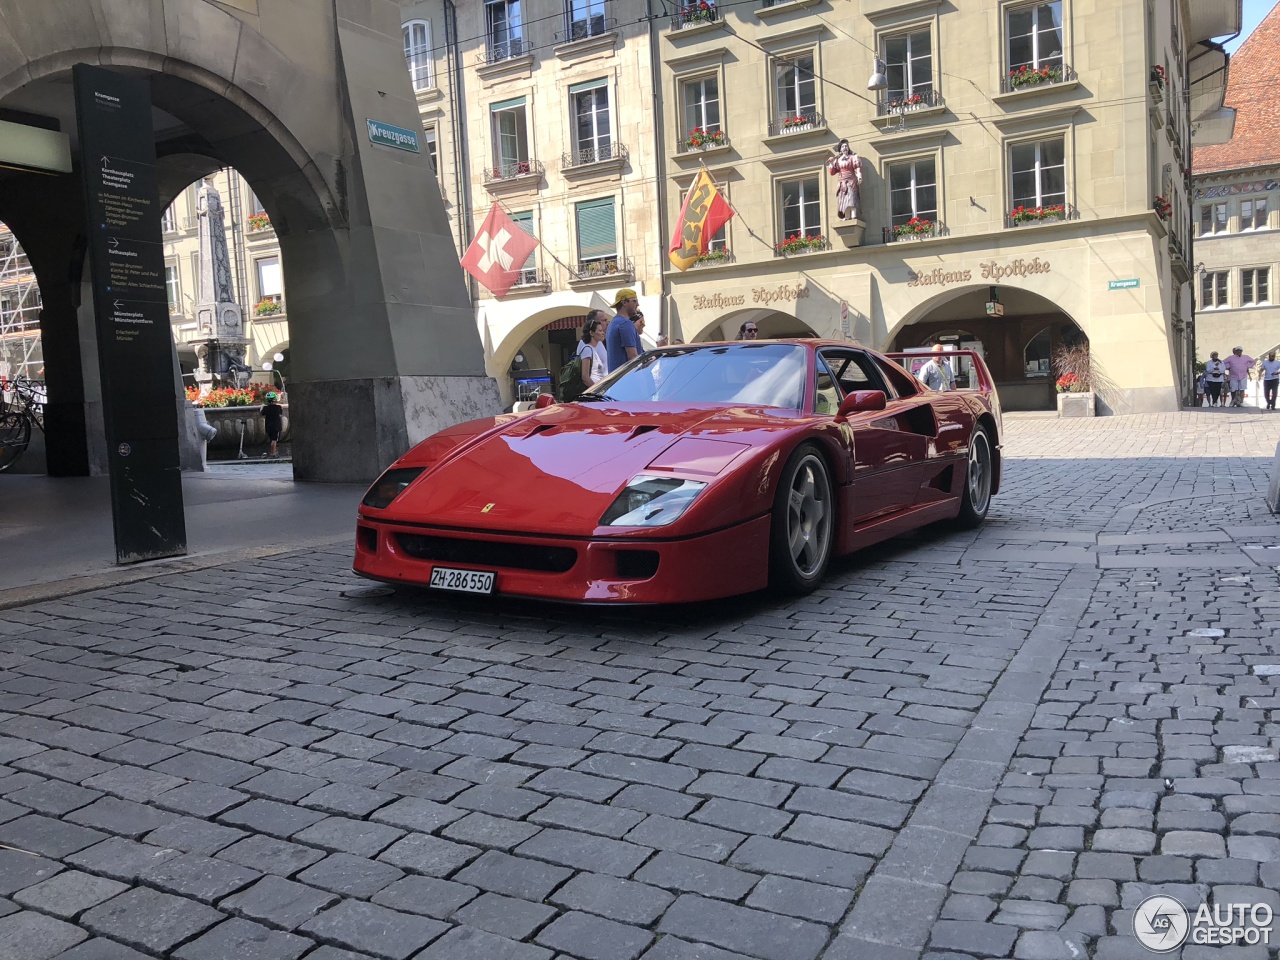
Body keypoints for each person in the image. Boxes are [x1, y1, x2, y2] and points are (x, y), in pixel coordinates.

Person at [606, 288, 643, 371]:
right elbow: (633, 357)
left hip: (616, 379)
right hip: (628, 379)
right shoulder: (625, 323)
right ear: (624, 302)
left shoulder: (613, 323)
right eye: (634, 301)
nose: (638, 304)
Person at [826, 139, 863, 221]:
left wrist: (859, 176)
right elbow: (832, 172)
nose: (845, 147)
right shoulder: (838, 160)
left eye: (846, 146)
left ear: (848, 148)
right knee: (843, 199)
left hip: (851, 180)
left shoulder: (853, 157)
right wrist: (831, 163)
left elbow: (857, 168)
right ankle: (846, 216)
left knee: (852, 197)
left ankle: (853, 215)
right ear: (840, 149)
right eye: (843, 146)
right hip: (842, 182)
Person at [577, 310, 608, 388]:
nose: (607, 323)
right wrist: (597, 390)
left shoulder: (598, 343)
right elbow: (585, 376)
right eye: (603, 320)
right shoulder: (586, 347)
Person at [261, 391, 283, 458]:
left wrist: (262, 407)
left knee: (271, 439)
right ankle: (273, 453)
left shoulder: (266, 408)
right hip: (276, 426)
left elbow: (262, 413)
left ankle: (273, 452)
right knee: (274, 440)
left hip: (269, 426)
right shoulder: (278, 407)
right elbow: (281, 412)